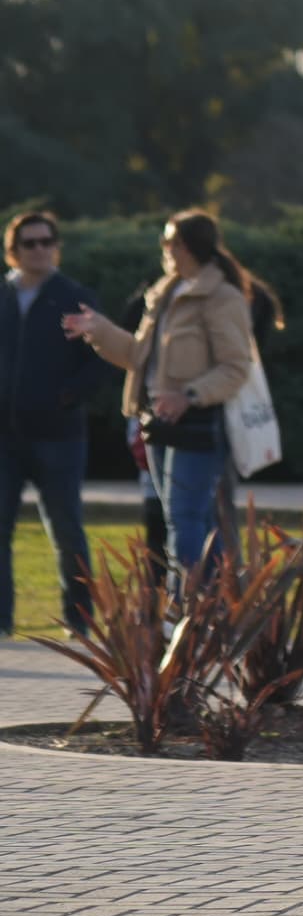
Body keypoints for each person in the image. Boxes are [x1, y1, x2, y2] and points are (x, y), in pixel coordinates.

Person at [62, 211, 267, 579]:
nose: (164, 248)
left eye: (168, 240)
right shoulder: (164, 293)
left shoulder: (221, 297)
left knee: (184, 518)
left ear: (183, 247)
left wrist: (188, 396)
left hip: (198, 425)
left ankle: (186, 607)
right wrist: (100, 331)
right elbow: (138, 358)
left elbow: (236, 367)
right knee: (189, 517)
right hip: (157, 423)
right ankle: (217, 608)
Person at [4, 211, 104, 638]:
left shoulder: (75, 297)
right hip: (4, 438)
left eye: (47, 241)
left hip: (59, 436)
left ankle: (80, 620)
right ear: (14, 250)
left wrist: (65, 398)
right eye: (30, 243)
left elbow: (100, 360)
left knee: (66, 528)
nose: (40, 249)